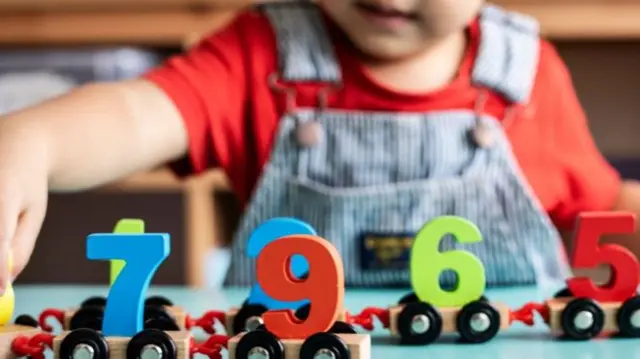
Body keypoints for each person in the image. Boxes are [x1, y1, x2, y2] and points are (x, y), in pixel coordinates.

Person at [0, 0, 639, 293]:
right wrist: (32, 139)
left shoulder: (530, 75)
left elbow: (602, 207)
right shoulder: (258, 54)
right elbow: (138, 114)